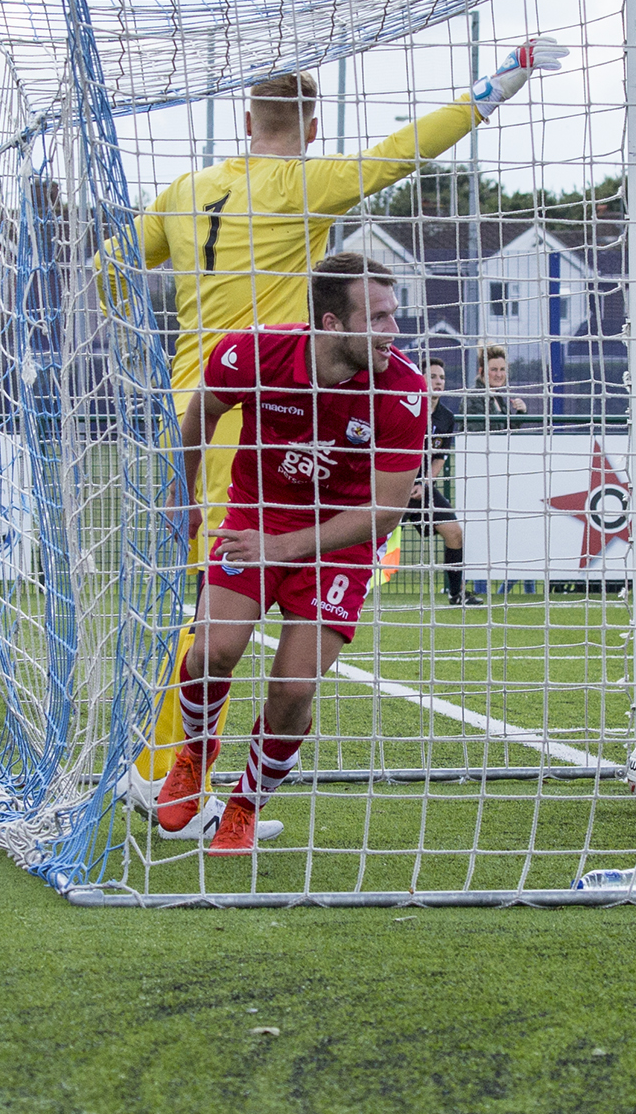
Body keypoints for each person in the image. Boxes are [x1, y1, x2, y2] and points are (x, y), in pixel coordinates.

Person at [104, 40, 568, 802]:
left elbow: (111, 268)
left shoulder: (186, 189)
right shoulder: (300, 184)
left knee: (196, 602)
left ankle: (174, 775)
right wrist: (495, 87)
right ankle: (164, 778)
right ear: (312, 129)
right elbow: (399, 154)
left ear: (245, 117)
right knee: (211, 616)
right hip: (258, 414)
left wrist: (147, 340)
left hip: (193, 404)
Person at [156, 253, 428, 854]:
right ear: (332, 323)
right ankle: (194, 757)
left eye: (393, 317)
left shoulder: (404, 391)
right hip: (256, 514)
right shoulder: (255, 353)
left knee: (293, 691)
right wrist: (187, 495)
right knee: (211, 653)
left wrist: (285, 547)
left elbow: (384, 514)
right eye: (377, 319)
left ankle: (244, 806)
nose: (393, 333)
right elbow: (204, 408)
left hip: (342, 541)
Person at [405, 356, 483, 606]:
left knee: (454, 533)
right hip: (391, 486)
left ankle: (456, 593)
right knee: (366, 537)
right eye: (433, 376)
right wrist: (402, 483)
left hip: (420, 489)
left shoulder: (446, 417)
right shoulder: (406, 407)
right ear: (421, 378)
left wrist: (424, 484)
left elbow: (438, 459)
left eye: (442, 378)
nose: (438, 382)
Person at [471, 344, 528, 422]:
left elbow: (508, 429)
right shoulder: (473, 398)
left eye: (502, 369)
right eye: (494, 369)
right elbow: (478, 431)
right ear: (481, 371)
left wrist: (521, 412)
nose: (499, 375)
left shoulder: (497, 397)